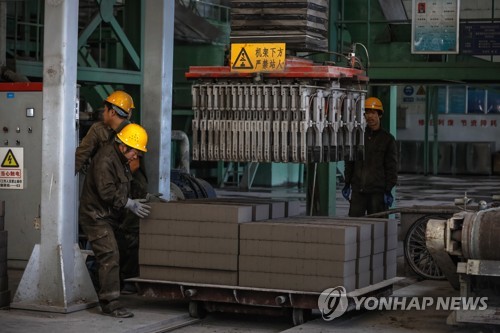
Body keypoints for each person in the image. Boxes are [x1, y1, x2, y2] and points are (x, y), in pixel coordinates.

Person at [79, 123, 151, 318]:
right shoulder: (106, 160)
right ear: (124, 146)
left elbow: (123, 186)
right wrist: (129, 203)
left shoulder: (121, 160)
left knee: (123, 248)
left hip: (110, 216)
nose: (136, 156)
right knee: (110, 255)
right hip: (96, 216)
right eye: (135, 152)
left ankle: (104, 288)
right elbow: (107, 192)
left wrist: (136, 199)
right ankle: (110, 303)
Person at [342, 97, 398, 217]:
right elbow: (350, 162)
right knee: (353, 227)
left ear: (380, 115)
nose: (370, 116)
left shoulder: (387, 140)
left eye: (373, 113)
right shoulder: (358, 137)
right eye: (367, 113)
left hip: (377, 193)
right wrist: (347, 183)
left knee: (379, 228)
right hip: (358, 192)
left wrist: (388, 190)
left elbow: (391, 168)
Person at [75, 90, 134, 173]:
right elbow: (80, 157)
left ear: (112, 112)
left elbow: (134, 167)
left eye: (105, 110)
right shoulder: (99, 129)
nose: (103, 114)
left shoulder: (134, 134)